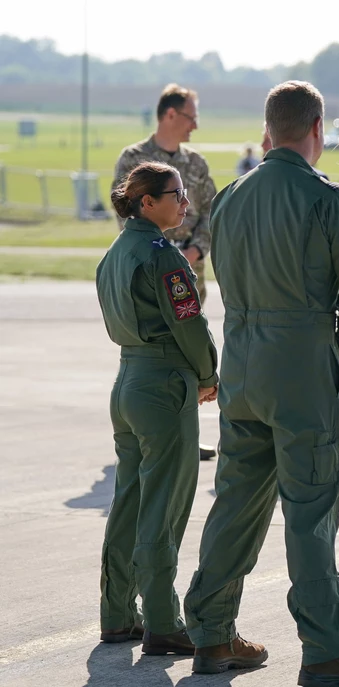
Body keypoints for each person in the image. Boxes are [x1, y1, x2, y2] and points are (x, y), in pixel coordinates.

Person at [182, 81, 339, 687]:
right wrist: (338, 343)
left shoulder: (231, 195)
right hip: (301, 370)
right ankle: (325, 646)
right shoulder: (326, 197)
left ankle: (212, 633)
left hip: (242, 366)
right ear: (317, 129)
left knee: (237, 503)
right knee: (311, 508)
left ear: (269, 129)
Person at [96, 162, 219, 657]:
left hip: (126, 381)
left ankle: (118, 613)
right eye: (176, 194)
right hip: (164, 384)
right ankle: (164, 621)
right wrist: (208, 374)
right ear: (147, 202)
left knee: (128, 500)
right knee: (163, 505)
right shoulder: (162, 256)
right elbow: (189, 324)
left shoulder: (114, 253)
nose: (185, 203)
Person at [112, 83, 219, 462]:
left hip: (189, 269)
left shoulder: (197, 163)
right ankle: (156, 425)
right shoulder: (135, 158)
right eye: (191, 117)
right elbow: (125, 213)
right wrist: (163, 254)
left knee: (188, 342)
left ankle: (188, 426)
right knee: (157, 344)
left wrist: (194, 251)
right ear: (171, 114)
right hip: (147, 270)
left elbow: (211, 212)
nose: (195, 126)